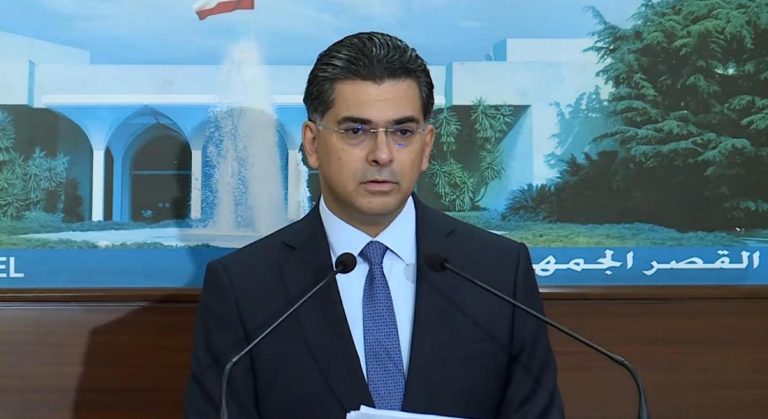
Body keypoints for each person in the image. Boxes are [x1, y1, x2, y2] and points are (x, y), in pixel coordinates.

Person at [185, 31, 563, 419]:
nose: (382, 154)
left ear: (426, 146)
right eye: (356, 131)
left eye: (403, 132)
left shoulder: (498, 272)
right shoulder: (244, 286)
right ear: (312, 144)